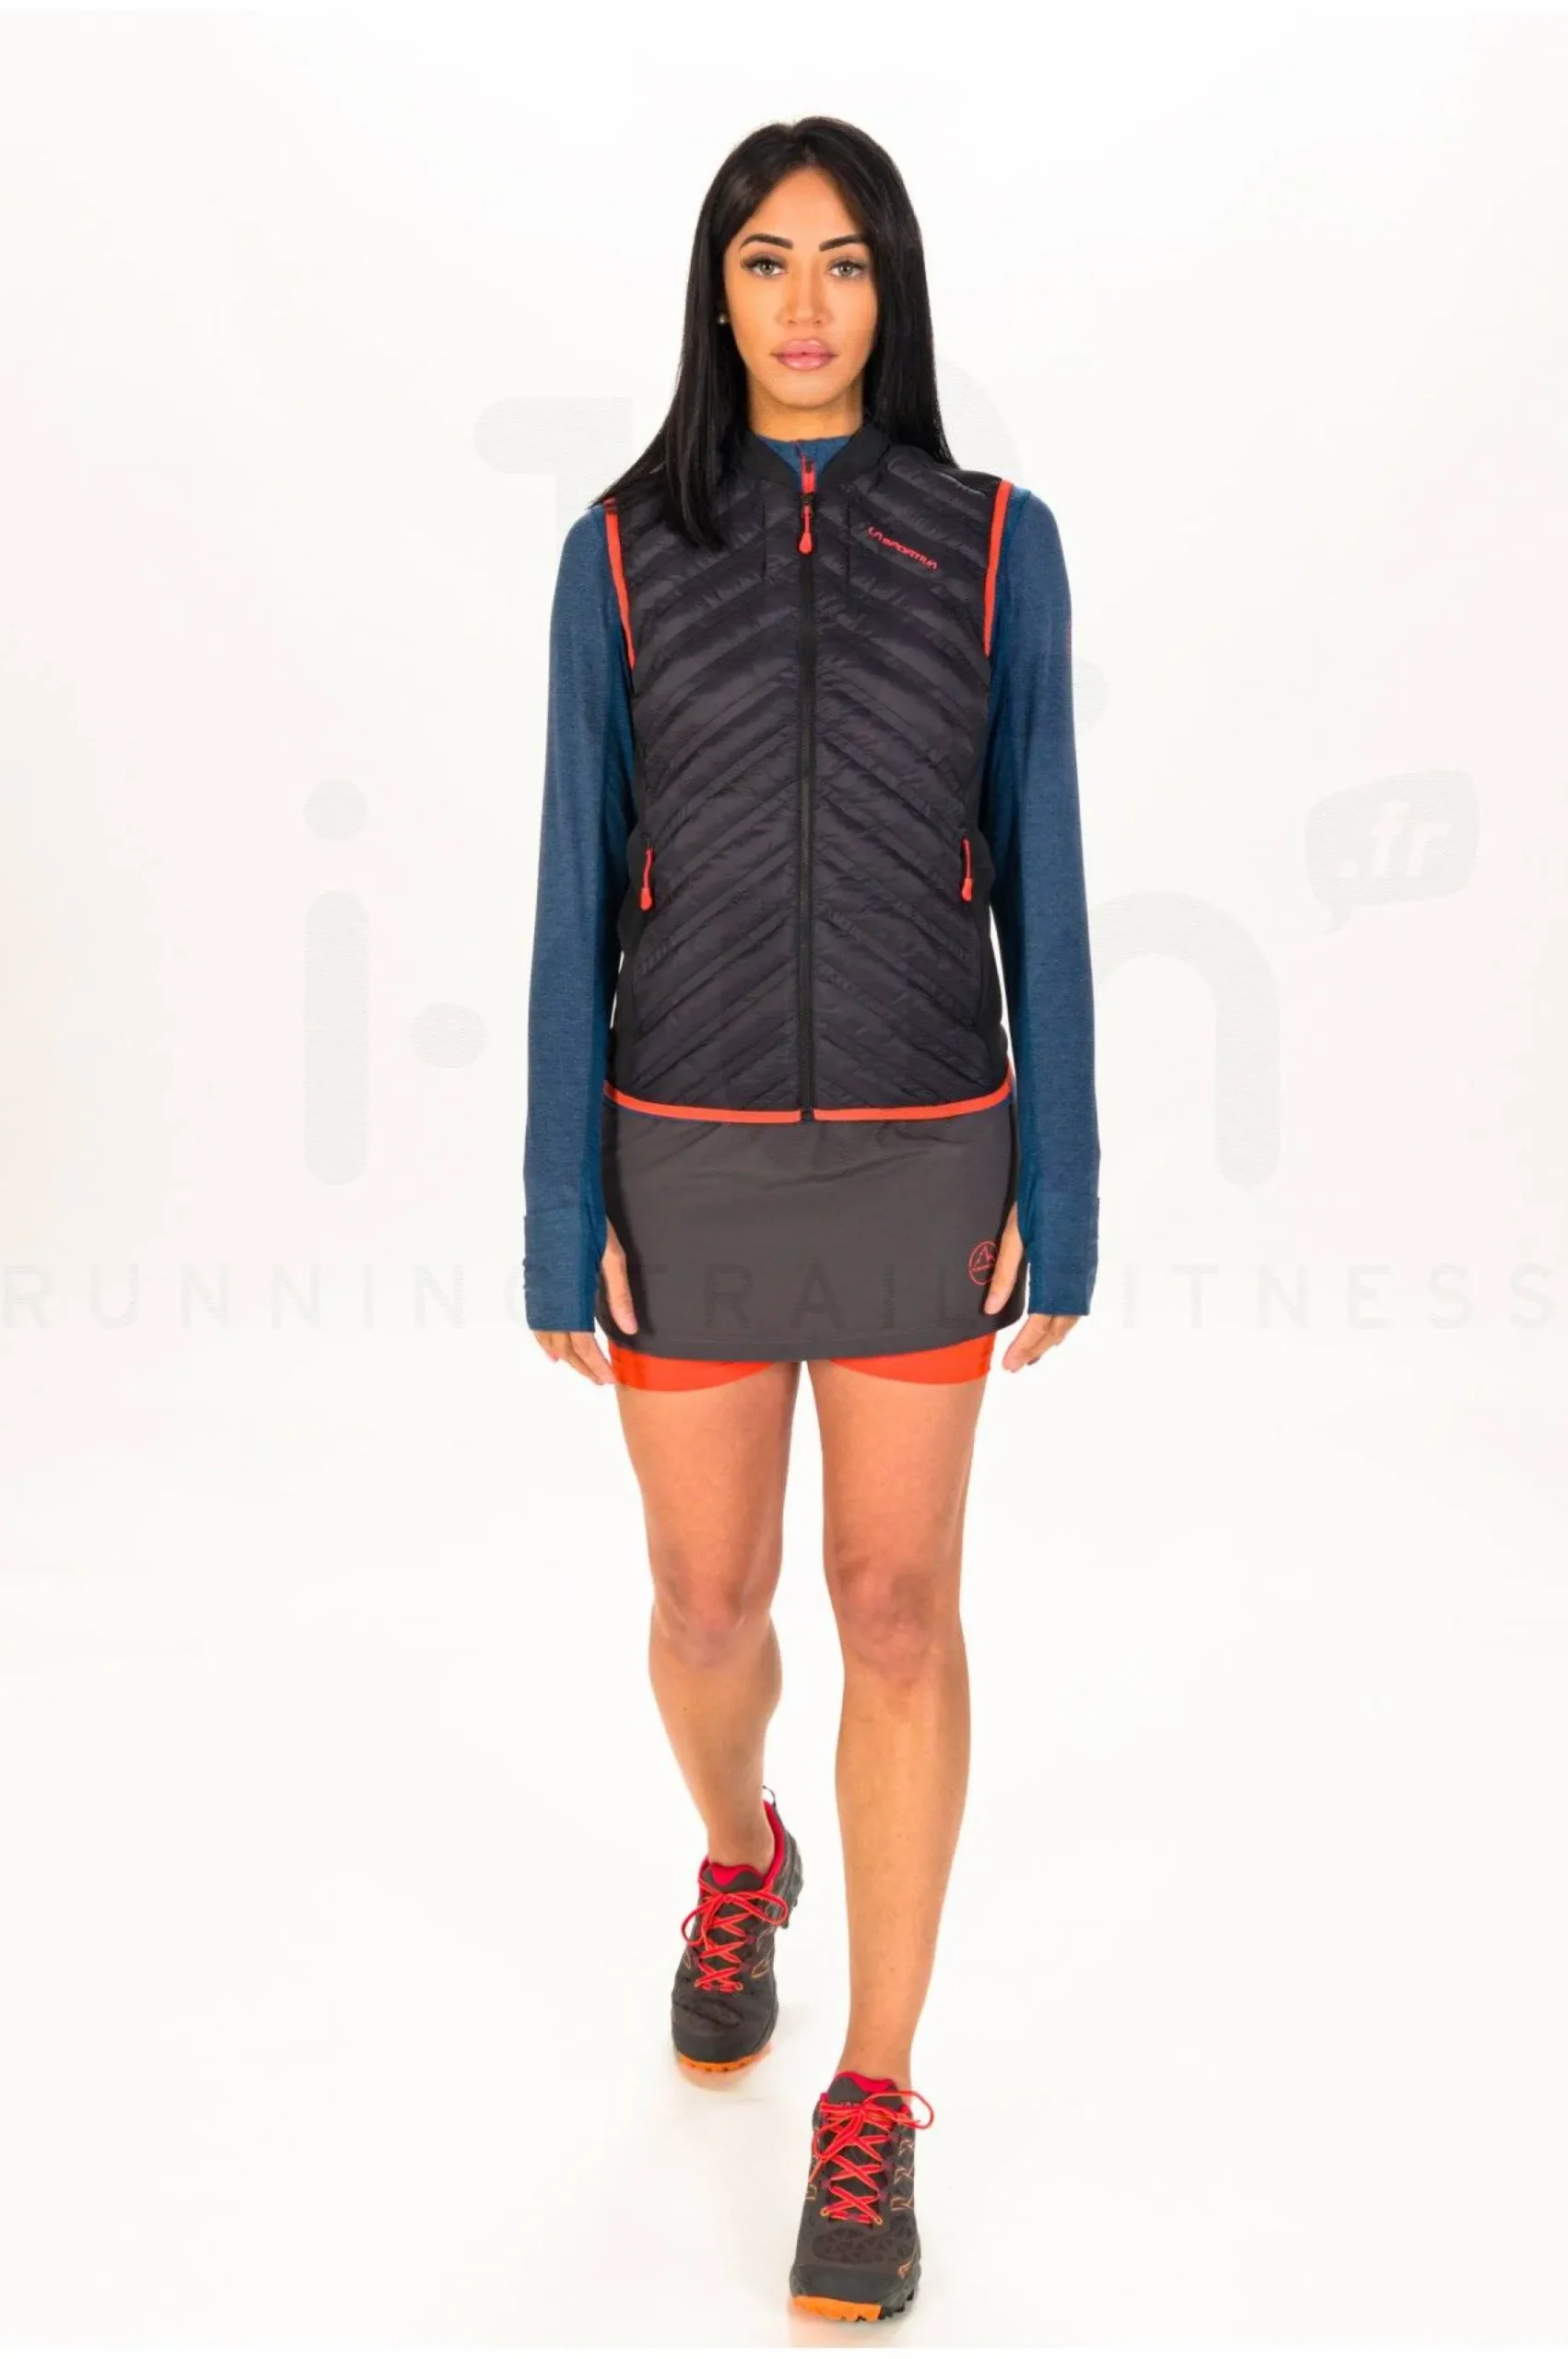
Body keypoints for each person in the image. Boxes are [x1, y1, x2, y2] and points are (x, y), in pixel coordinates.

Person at [522, 113, 1098, 2322]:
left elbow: (1041, 864)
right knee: (704, 1601)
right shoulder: (615, 553)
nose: (802, 301)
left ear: (891, 291)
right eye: (764, 259)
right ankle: (738, 1853)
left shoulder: (992, 545)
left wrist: (1060, 1184)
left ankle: (869, 2092)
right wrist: (557, 1192)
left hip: (924, 1141)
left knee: (892, 1607)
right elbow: (570, 882)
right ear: (716, 289)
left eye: (842, 261)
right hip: (676, 1142)